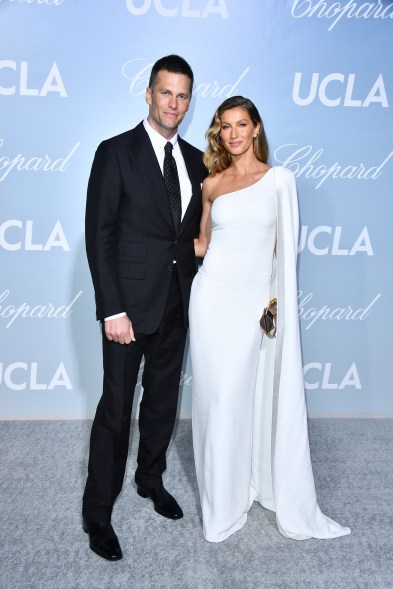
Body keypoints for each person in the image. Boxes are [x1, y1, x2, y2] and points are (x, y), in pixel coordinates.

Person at [190, 96, 351, 543]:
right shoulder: (211, 184)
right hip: (209, 301)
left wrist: (274, 306)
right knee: (215, 401)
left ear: (257, 128)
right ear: (218, 132)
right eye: (225, 126)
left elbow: (284, 254)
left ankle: (255, 480)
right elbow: (201, 244)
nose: (234, 133)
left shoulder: (279, 180)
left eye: (242, 124)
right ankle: (221, 502)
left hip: (252, 307)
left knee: (248, 397)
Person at [83, 55, 207, 561]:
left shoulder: (198, 161)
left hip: (177, 306)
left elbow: (192, 240)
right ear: (148, 93)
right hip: (127, 313)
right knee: (116, 410)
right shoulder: (115, 153)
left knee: (161, 404)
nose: (174, 104)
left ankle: (149, 480)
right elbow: (100, 236)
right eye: (166, 93)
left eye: (182, 96)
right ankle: (97, 513)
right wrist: (112, 309)